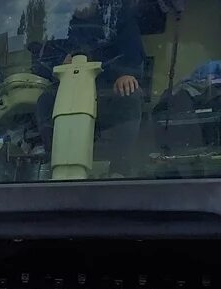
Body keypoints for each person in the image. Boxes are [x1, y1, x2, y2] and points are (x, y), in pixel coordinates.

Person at [34, 1, 146, 172]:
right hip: (67, 89)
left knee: (130, 95)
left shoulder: (117, 16)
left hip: (109, 89)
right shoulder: (58, 23)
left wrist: (127, 73)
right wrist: (60, 63)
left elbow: (133, 52)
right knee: (45, 100)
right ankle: (56, 164)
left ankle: (120, 169)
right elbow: (43, 61)